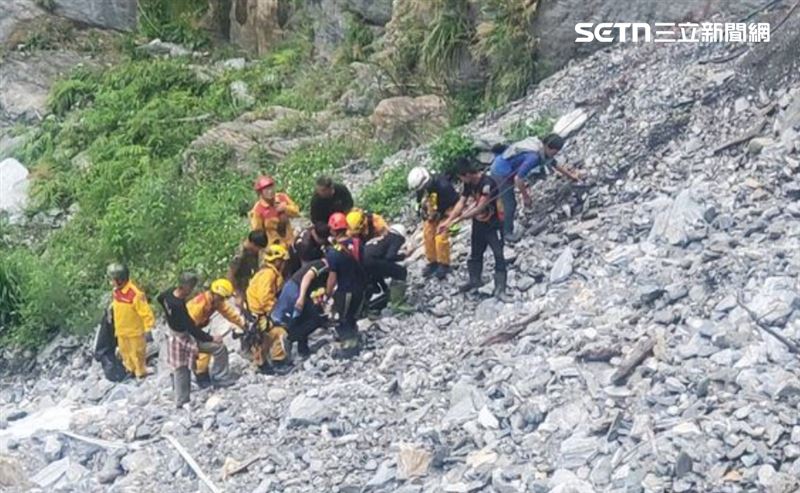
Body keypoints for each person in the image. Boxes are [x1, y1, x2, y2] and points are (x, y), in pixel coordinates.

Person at [158, 273, 234, 406]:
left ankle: (219, 377)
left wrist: (168, 315)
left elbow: (159, 298)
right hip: (181, 337)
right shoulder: (179, 306)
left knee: (218, 349)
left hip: (176, 333)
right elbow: (192, 328)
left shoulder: (168, 294)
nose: (192, 291)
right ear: (186, 287)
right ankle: (182, 401)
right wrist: (211, 338)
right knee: (182, 368)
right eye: (191, 287)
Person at [439, 158, 510, 301]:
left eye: (461, 177)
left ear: (467, 174)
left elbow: (480, 207)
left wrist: (459, 219)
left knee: (498, 255)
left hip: (493, 224)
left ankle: (500, 289)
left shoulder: (487, 184)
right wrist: (448, 221)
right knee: (475, 253)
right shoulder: (469, 184)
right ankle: (474, 280)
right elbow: (461, 202)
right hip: (479, 225)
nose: (461, 181)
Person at [490, 133, 578, 242]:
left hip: (504, 164)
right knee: (510, 203)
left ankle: (499, 221)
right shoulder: (534, 157)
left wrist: (571, 176)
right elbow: (518, 179)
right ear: (548, 147)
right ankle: (507, 233)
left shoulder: (541, 147)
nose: (554, 155)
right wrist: (525, 197)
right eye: (554, 152)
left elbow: (553, 163)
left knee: (504, 200)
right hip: (500, 172)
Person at [187, 278, 245, 387]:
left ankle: (209, 377)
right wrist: (209, 338)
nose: (223, 300)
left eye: (224, 298)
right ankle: (208, 377)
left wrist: (243, 325)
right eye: (222, 298)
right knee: (213, 349)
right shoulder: (199, 306)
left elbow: (229, 313)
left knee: (212, 348)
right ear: (215, 294)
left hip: (195, 329)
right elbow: (188, 326)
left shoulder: (215, 301)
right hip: (186, 333)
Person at [325, 212, 367, 358]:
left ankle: (350, 348)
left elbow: (332, 277)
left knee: (342, 318)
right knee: (353, 315)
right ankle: (354, 339)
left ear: (332, 230)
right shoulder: (357, 243)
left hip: (345, 290)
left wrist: (327, 293)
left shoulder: (333, 252)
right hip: (360, 288)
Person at [245, 244, 291, 372]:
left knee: (265, 338)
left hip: (257, 314)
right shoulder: (269, 274)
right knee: (279, 333)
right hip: (261, 314)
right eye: (282, 261)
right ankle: (278, 361)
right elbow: (264, 297)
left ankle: (263, 363)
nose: (284, 264)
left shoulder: (266, 272)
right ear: (277, 261)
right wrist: (275, 311)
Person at [271, 259, 330, 358]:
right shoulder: (324, 265)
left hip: (293, 287)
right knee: (315, 320)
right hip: (296, 290)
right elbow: (307, 277)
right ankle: (289, 338)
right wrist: (301, 297)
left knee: (303, 318)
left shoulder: (321, 264)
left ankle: (303, 349)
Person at [407, 166, 459, 279]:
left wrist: (439, 214)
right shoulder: (424, 187)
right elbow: (420, 201)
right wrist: (421, 211)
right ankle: (433, 261)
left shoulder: (443, 186)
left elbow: (454, 202)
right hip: (435, 206)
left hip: (448, 209)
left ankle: (444, 264)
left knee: (440, 236)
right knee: (428, 233)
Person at [107, 263, 155, 379]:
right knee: (125, 352)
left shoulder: (135, 294)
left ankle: (141, 372)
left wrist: (149, 328)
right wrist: (110, 309)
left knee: (137, 353)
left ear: (120, 280)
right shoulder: (116, 291)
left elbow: (146, 313)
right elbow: (116, 303)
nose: (111, 282)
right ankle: (130, 369)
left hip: (134, 332)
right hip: (121, 330)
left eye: (112, 279)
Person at [364, 224, 410, 314]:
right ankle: (398, 304)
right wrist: (404, 255)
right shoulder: (397, 238)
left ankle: (386, 294)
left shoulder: (385, 237)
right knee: (400, 272)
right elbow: (390, 256)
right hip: (373, 261)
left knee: (378, 273)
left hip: (365, 260)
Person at [249, 175, 300, 247]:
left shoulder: (282, 197)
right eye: (266, 190)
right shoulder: (258, 210)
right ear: (260, 193)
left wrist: (285, 208)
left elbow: (297, 212)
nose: (270, 192)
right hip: (273, 246)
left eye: (271, 188)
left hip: (290, 241)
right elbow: (258, 233)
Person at [227, 230, 269, 303]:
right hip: (238, 287)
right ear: (252, 244)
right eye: (258, 248)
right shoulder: (239, 255)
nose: (259, 250)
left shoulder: (253, 251)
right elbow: (230, 274)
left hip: (248, 283)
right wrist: (237, 293)